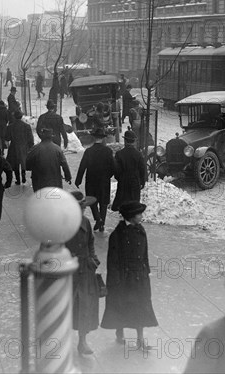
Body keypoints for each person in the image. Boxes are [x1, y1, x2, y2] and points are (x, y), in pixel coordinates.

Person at [101, 201, 158, 350]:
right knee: (121, 305)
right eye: (139, 214)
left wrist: (146, 271)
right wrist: (114, 281)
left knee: (140, 306)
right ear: (131, 216)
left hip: (139, 276)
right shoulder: (117, 235)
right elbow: (112, 260)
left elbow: (144, 252)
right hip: (124, 278)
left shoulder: (140, 230)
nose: (141, 216)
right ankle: (119, 332)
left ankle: (140, 339)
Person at [66, 191, 101, 356]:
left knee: (85, 306)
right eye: (80, 206)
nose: (83, 209)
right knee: (66, 307)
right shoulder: (62, 224)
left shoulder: (86, 222)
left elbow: (91, 243)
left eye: (84, 206)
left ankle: (82, 341)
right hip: (68, 272)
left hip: (86, 270)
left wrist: (94, 260)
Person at [75, 128, 115, 232]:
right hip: (104, 181)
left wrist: (78, 180)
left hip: (91, 180)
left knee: (92, 200)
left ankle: (98, 219)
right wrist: (108, 175)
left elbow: (82, 166)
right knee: (103, 202)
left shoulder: (89, 151)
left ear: (94, 138)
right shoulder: (108, 151)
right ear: (102, 139)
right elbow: (113, 166)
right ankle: (102, 222)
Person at [111, 130, 146, 212]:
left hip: (123, 181)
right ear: (134, 141)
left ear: (125, 141)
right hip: (135, 181)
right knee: (134, 203)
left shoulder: (119, 154)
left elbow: (116, 169)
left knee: (123, 201)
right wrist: (142, 181)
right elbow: (142, 169)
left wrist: (119, 178)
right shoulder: (138, 154)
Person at [5, 110, 34, 185]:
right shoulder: (27, 126)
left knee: (15, 164)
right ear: (21, 116)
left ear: (14, 117)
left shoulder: (10, 126)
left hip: (14, 147)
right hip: (24, 146)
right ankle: (23, 175)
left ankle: (18, 179)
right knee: (23, 162)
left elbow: (7, 138)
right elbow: (31, 138)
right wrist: (31, 146)